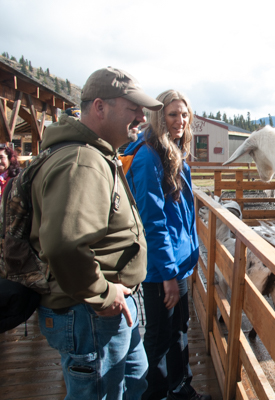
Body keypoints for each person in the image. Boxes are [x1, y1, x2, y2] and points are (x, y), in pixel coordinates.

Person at [30, 67, 163, 400]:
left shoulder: (96, 154)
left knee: (131, 384)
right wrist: (103, 295)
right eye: (132, 107)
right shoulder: (82, 161)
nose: (140, 116)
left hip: (103, 311)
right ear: (100, 107)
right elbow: (64, 245)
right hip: (91, 313)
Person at [124, 90, 209, 400]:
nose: (181, 120)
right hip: (162, 269)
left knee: (179, 331)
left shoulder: (172, 153)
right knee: (160, 337)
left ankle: (181, 388)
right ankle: (156, 393)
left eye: (184, 114)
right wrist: (169, 275)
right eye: (173, 114)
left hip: (176, 264)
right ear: (160, 117)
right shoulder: (148, 157)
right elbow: (154, 223)